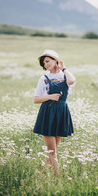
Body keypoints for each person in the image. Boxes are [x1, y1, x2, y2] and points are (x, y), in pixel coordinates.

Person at [33, 49, 76, 177]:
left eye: (47, 61)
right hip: (48, 113)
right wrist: (50, 97)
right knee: (52, 151)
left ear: (56, 61)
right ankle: (58, 179)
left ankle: (42, 176)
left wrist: (64, 68)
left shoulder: (65, 76)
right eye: (43, 63)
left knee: (52, 151)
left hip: (61, 112)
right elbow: (36, 99)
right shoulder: (44, 78)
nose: (45, 64)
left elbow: (72, 81)